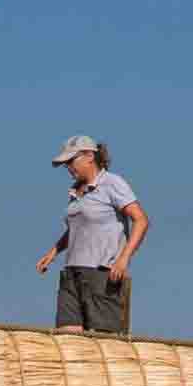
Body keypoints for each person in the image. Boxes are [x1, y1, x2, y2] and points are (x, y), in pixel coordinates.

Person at [33, 135, 146, 335]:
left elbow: (141, 220)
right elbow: (78, 229)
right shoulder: (75, 192)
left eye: (71, 161)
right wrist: (53, 252)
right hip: (71, 273)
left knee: (104, 340)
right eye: (65, 163)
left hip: (102, 274)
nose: (68, 167)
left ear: (89, 156)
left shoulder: (112, 183)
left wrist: (123, 260)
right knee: (68, 338)